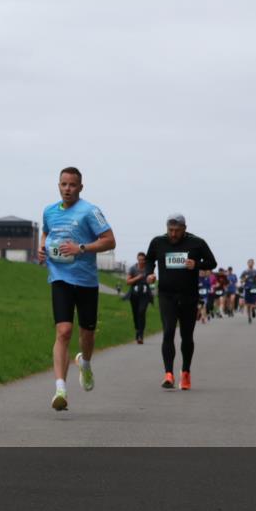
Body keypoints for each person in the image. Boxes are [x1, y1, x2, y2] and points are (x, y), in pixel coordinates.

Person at [38, 167, 117, 411]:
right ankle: (60, 388)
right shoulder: (49, 211)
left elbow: (110, 240)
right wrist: (42, 250)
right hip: (60, 278)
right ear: (58, 185)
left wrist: (80, 248)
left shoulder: (90, 211)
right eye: (63, 184)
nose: (67, 189)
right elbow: (45, 233)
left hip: (86, 282)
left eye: (72, 185)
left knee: (87, 334)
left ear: (80, 187)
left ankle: (85, 363)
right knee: (63, 331)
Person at [145, 214, 217, 390]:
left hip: (189, 296)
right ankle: (168, 374)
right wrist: (150, 273)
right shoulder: (158, 242)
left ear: (185, 228)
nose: (173, 234)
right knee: (168, 331)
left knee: (186, 336)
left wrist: (197, 265)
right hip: (166, 295)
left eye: (177, 230)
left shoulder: (196, 242)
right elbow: (149, 259)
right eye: (170, 230)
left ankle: (185, 373)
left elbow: (212, 263)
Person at [125, 252, 156, 344]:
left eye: (143, 260)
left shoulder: (148, 268)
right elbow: (128, 281)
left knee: (141, 312)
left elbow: (153, 279)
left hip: (145, 294)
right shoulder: (133, 269)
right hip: (134, 293)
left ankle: (141, 335)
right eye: (140, 260)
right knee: (135, 314)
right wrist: (138, 277)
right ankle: (137, 330)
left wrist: (152, 278)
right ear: (137, 259)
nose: (141, 261)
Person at [241, 259, 256, 323]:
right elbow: (241, 281)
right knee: (247, 304)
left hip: (254, 288)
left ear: (253, 264)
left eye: (251, 263)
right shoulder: (244, 272)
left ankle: (253, 309)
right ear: (247, 264)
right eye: (249, 263)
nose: (250, 264)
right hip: (247, 288)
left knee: (254, 301)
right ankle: (249, 317)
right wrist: (245, 278)